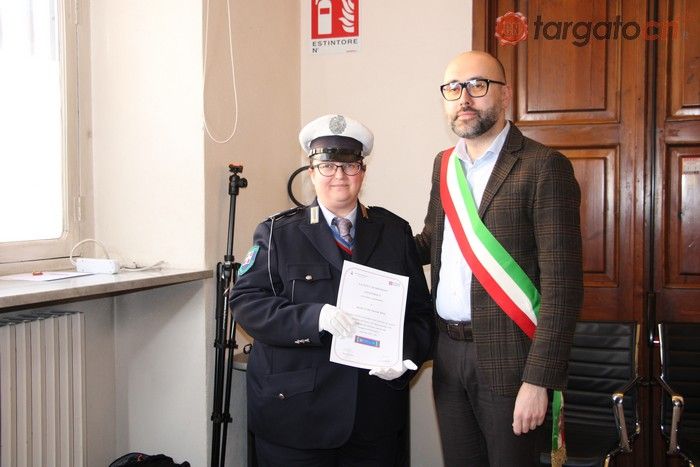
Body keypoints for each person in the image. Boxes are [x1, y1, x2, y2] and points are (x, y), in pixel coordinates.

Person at [231, 114, 434, 467]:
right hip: (297, 417)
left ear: (362, 173)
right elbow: (246, 303)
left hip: (373, 417)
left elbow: (420, 314)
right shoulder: (278, 233)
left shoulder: (394, 232)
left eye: (349, 165)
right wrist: (314, 318)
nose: (339, 175)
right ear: (311, 173)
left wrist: (404, 356)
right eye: (327, 166)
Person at [415, 51, 584, 466]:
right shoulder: (444, 165)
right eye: (453, 88)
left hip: (513, 359)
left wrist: (538, 380)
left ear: (505, 95)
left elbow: (563, 288)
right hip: (448, 354)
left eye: (478, 85)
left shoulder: (544, 167)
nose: (464, 98)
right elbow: (430, 240)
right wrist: (362, 232)